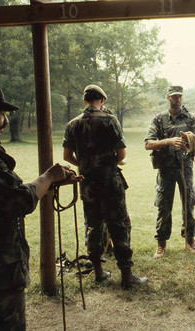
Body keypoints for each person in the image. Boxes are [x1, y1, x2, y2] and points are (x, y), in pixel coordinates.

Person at [0, 83, 82, 331]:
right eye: (2, 114)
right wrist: (48, 177)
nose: (7, 122)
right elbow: (16, 200)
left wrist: (50, 182)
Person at [62, 84, 147, 288]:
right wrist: (106, 163)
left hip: (87, 183)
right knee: (119, 224)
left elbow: (67, 156)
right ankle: (126, 275)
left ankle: (99, 272)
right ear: (102, 101)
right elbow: (122, 154)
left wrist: (85, 165)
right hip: (110, 182)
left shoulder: (72, 124)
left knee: (93, 225)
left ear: (85, 101)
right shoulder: (110, 121)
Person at [144, 85, 195, 259]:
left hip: (185, 168)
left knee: (188, 203)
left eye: (179, 96)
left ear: (182, 97)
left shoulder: (190, 118)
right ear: (168, 98)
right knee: (164, 205)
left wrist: (192, 138)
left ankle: (190, 240)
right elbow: (148, 143)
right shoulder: (158, 119)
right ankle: (161, 243)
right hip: (165, 169)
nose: (177, 99)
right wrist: (169, 141)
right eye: (173, 96)